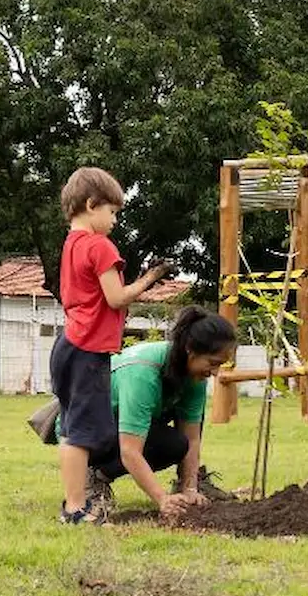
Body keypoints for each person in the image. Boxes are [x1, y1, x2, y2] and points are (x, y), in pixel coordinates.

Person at [52, 167, 169, 525]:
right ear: (91, 205)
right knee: (80, 433)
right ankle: (75, 508)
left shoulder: (71, 244)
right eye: (113, 212)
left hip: (70, 343)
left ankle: (76, 503)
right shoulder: (99, 245)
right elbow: (116, 298)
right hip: (87, 348)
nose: (115, 220)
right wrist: (149, 279)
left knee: (79, 427)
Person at [82, 306, 239, 521]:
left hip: (125, 425)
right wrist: (162, 498)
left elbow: (192, 439)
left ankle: (183, 484)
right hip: (86, 430)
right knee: (158, 443)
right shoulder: (143, 374)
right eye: (213, 363)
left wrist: (189, 488)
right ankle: (93, 477)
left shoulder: (193, 376)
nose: (215, 373)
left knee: (177, 444)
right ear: (190, 350)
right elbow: (130, 450)